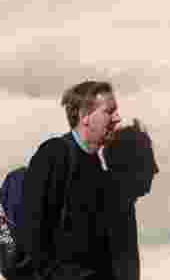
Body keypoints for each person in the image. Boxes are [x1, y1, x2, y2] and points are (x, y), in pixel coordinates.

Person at [19, 80, 121, 280]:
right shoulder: (54, 155)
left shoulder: (98, 169)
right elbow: (32, 234)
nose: (118, 118)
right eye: (109, 111)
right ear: (85, 116)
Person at [101, 119, 159, 280]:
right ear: (129, 163)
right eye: (147, 159)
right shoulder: (112, 204)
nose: (155, 169)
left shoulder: (121, 201)